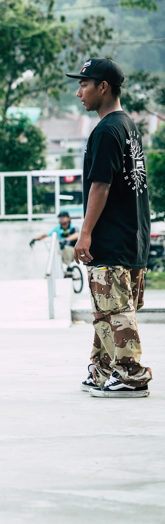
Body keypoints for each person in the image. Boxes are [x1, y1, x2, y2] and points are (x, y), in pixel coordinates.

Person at [68, 58, 151, 398]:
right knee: (107, 310)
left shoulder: (105, 131)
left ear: (103, 87)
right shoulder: (128, 125)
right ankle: (103, 369)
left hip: (112, 237)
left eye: (84, 85)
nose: (79, 93)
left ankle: (131, 375)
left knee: (115, 310)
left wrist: (85, 233)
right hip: (132, 237)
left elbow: (100, 186)